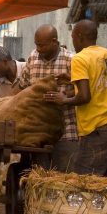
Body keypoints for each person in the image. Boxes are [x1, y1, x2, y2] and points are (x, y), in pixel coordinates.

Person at [47, 19, 107, 177]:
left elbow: (85, 96)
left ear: (80, 36)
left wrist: (64, 100)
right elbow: (102, 83)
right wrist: (72, 78)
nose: (73, 42)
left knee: (85, 184)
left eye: (73, 37)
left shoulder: (79, 58)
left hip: (96, 129)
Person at [20, 24, 77, 172]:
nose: (38, 49)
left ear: (54, 42)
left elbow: (84, 92)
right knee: (40, 176)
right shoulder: (33, 58)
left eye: (42, 45)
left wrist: (65, 96)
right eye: (36, 45)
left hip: (65, 131)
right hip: (38, 133)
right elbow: (23, 86)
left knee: (64, 175)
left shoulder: (71, 60)